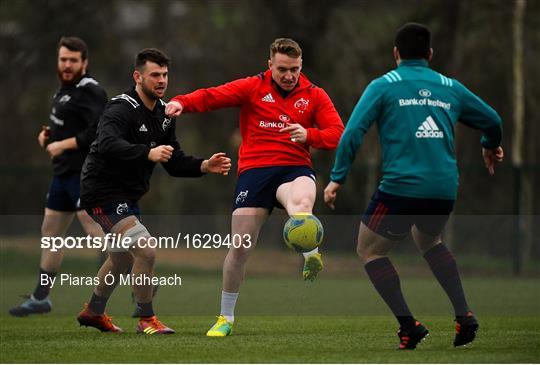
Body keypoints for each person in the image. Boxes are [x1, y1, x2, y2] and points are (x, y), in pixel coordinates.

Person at [324, 22, 504, 350]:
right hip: (443, 189)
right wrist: (490, 143)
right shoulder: (450, 86)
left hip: (400, 189)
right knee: (430, 239)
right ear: (430, 54)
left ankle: (409, 326)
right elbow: (493, 119)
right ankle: (464, 315)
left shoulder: (384, 86)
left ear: (396, 54)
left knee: (369, 250)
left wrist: (337, 177)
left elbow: (353, 132)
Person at [166, 38, 344, 336]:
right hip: (255, 173)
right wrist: (181, 102)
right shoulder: (252, 87)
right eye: (283, 69)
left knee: (301, 205)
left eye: (295, 70)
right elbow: (213, 96)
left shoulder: (314, 95)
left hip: (294, 169)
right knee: (240, 248)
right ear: (269, 65)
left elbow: (338, 133)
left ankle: (310, 253)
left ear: (302, 66)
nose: (289, 76)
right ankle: (226, 318)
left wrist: (309, 134)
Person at [76, 48, 231, 334]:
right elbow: (107, 143)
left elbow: (173, 160)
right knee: (145, 251)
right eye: (155, 75)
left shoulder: (164, 114)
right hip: (101, 192)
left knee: (121, 259)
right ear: (137, 76)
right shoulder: (120, 108)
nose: (162, 81)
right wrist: (147, 152)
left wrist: (204, 165)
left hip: (127, 196)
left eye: (165, 75)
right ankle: (146, 319)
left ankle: (94, 311)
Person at [9, 36, 108, 317]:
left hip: (86, 172)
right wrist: (48, 139)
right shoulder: (64, 91)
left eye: (73, 60)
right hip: (62, 174)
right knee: (51, 233)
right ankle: (41, 297)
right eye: (63, 59)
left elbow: (97, 132)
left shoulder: (90, 90)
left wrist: (62, 145)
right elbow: (66, 129)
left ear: (84, 63)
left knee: (93, 228)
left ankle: (139, 274)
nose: (66, 65)